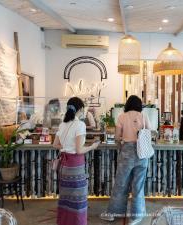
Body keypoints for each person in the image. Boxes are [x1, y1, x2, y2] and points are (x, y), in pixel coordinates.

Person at [101, 95, 151, 225]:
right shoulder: (143, 116)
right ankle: (136, 217)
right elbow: (151, 133)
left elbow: (117, 137)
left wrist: (122, 147)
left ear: (128, 104)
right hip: (142, 154)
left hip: (126, 153)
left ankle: (113, 213)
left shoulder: (122, 117)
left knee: (120, 184)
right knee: (138, 186)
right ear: (139, 105)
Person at [53, 97, 100, 225]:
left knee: (66, 198)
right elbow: (79, 150)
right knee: (78, 200)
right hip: (75, 166)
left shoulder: (63, 124)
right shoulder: (80, 124)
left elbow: (55, 145)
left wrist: (66, 147)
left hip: (63, 166)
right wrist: (92, 146)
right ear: (80, 109)